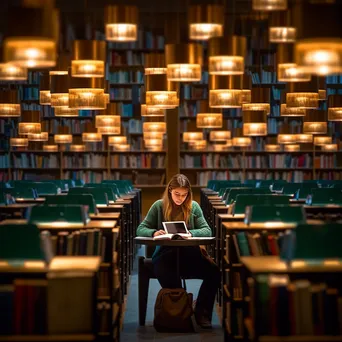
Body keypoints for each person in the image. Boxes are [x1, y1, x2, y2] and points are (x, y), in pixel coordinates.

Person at [136, 174, 220, 329]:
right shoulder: (158, 206)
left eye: (184, 194)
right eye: (177, 194)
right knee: (172, 279)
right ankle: (180, 311)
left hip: (189, 255)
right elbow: (141, 228)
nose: (180, 198)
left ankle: (202, 312)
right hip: (165, 256)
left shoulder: (193, 206)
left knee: (214, 271)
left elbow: (207, 230)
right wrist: (154, 232)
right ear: (170, 190)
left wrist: (191, 234)